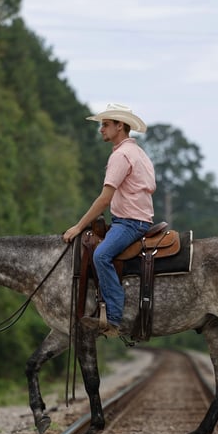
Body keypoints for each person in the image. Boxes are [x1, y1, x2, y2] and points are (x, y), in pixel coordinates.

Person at [62, 103, 156, 337]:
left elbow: (105, 199)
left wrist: (78, 226)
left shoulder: (121, 156)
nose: (101, 130)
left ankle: (114, 317)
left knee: (101, 255)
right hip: (139, 219)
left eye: (105, 125)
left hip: (130, 222)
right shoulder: (138, 153)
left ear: (120, 126)